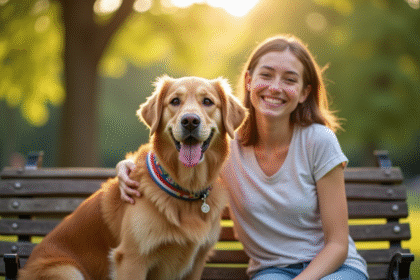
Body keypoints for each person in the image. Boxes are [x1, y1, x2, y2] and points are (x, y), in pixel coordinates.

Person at [116, 34, 368, 280]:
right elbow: (168, 151)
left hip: (334, 268)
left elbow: (337, 245)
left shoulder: (319, 141)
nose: (275, 87)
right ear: (248, 81)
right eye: (266, 75)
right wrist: (127, 165)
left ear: (303, 92)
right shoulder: (223, 148)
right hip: (273, 272)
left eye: (289, 80)